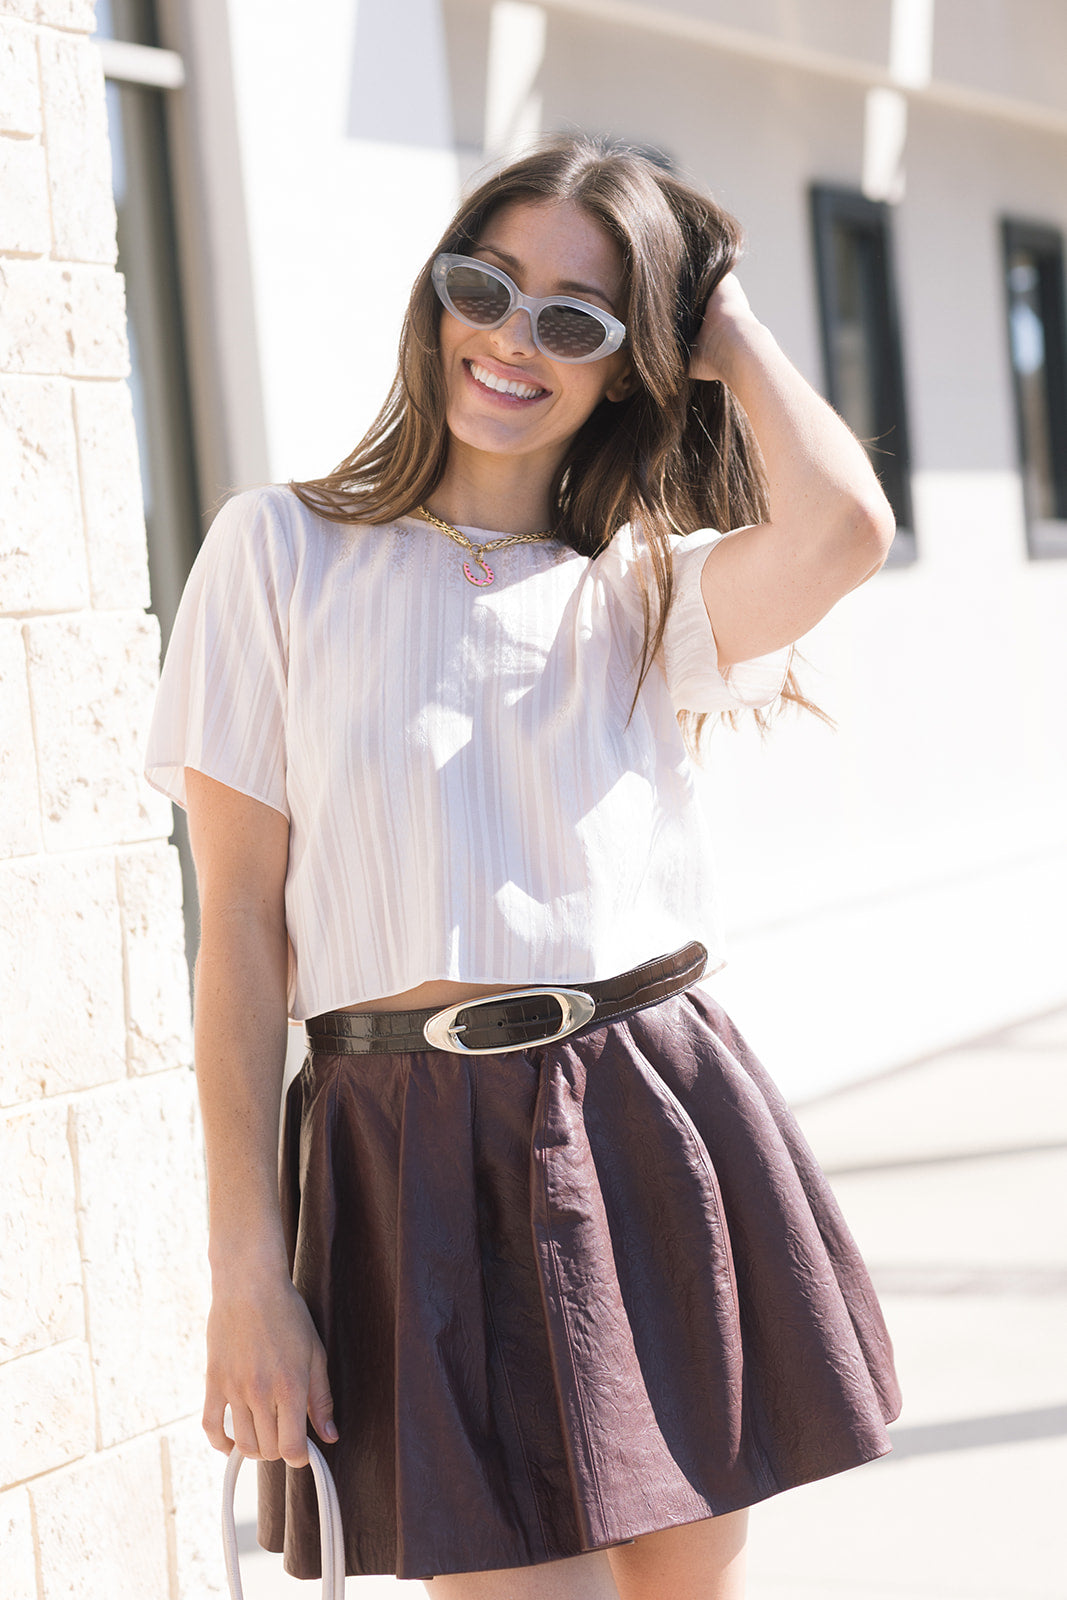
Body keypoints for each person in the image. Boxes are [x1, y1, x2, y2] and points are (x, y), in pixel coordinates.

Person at [145, 136, 901, 1600]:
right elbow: (236, 924)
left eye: (576, 317)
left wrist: (724, 321)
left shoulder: (643, 587)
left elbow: (846, 530)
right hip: (403, 1145)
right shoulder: (277, 553)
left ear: (630, 365)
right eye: (485, 287)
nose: (512, 337)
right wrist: (247, 1265)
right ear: (436, 297)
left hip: (643, 1110)